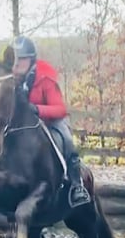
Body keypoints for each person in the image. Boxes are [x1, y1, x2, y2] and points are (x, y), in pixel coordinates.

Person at [11, 35, 91, 208]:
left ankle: (77, 186)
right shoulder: (11, 79)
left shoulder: (45, 78)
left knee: (67, 140)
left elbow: (60, 109)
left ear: (31, 60)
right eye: (15, 60)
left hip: (50, 121)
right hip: (25, 127)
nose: (16, 65)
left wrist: (37, 109)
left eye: (21, 60)